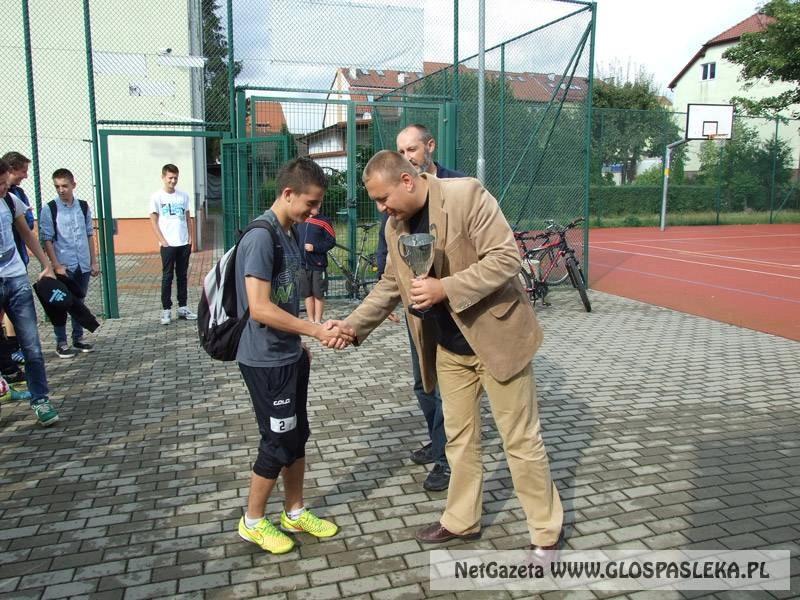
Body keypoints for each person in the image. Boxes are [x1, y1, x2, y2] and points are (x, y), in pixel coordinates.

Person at [341, 150, 564, 552]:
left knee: (520, 441)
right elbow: (391, 284)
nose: (381, 208)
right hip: (447, 347)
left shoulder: (466, 195)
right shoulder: (394, 227)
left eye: (383, 198)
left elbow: (506, 258)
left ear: (406, 181)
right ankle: (462, 521)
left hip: (497, 339)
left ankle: (546, 532)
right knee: (458, 440)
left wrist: (445, 288)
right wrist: (352, 326)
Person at [234, 157, 352, 555]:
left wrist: (299, 345)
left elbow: (285, 300)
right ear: (288, 193)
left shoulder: (288, 231)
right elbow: (260, 308)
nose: (315, 212)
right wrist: (313, 331)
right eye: (311, 203)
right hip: (264, 361)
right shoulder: (261, 237)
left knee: (297, 435)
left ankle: (294, 512)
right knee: (277, 442)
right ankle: (252, 522)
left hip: (288, 356)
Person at [375, 124, 465, 492]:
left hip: (456, 316)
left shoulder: (460, 187)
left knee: (446, 391)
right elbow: (388, 259)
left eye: (410, 149)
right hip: (418, 314)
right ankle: (438, 441)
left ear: (430, 146)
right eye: (400, 151)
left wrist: (444, 288)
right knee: (423, 384)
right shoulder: (394, 200)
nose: (405, 157)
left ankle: (447, 460)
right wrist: (384, 301)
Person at [0, 158, 59, 426]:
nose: (4, 188)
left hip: (16, 278)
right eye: (0, 184)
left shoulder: (11, 201)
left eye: (5, 183)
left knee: (32, 346)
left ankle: (40, 400)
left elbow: (26, 234)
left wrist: (46, 265)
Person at [39, 168, 100, 359]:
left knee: (78, 303)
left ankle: (78, 338)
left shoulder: (83, 206)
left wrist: (93, 261)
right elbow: (47, 239)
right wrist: (56, 265)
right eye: (57, 186)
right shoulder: (50, 209)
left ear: (73, 185)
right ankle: (61, 343)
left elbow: (89, 234)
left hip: (82, 264)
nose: (61, 190)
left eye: (64, 186)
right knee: (61, 304)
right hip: (64, 266)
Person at [0, 151, 34, 378]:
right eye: (23, 171)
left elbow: (28, 225)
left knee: (18, 315)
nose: (26, 175)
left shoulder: (16, 196)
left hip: (16, 264)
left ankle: (14, 357)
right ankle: (9, 364)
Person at [149, 164, 197, 325]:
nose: (173, 181)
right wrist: (163, 241)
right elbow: (153, 221)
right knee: (167, 276)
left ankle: (183, 307)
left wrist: (190, 238)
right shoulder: (157, 197)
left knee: (182, 276)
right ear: (163, 177)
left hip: (183, 243)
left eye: (175, 178)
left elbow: (188, 217)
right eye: (170, 178)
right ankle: (166, 310)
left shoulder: (183, 196)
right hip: (168, 244)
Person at [295, 212, 336, 324]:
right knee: (307, 294)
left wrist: (315, 248)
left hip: (318, 264)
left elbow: (331, 242)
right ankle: (311, 320)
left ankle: (318, 321)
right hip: (302, 264)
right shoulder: (300, 219)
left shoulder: (324, 221)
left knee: (318, 294)